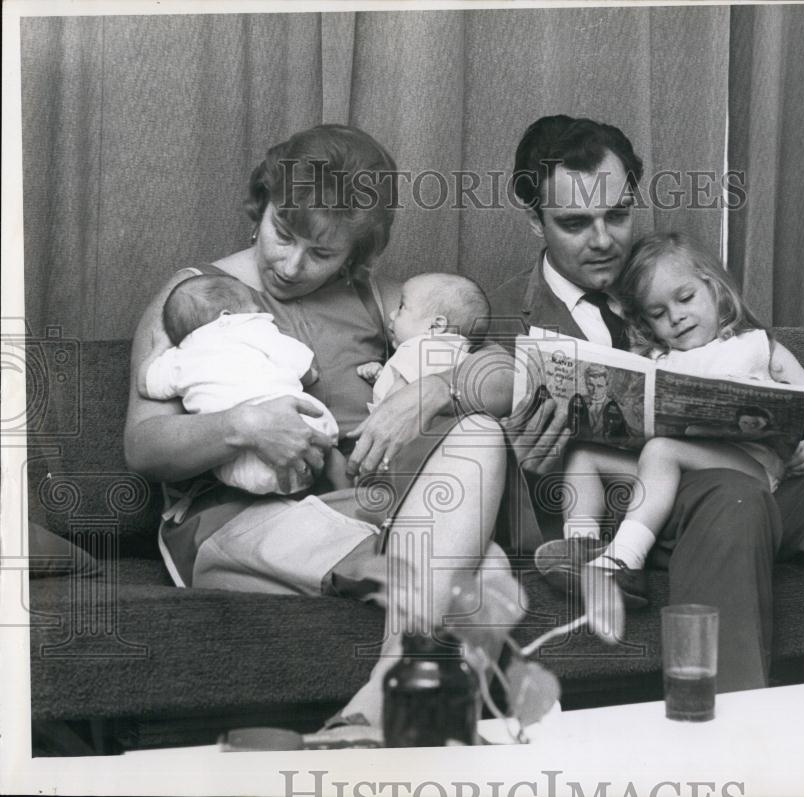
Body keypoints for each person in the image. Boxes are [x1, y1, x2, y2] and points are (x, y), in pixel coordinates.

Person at [489, 114, 804, 691]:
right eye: (574, 222)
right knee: (731, 494)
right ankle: (729, 736)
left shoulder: (673, 278)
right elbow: (495, 487)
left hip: (753, 475)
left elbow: (761, 379)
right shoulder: (503, 324)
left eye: (617, 215)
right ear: (533, 219)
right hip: (636, 512)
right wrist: (529, 460)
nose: (602, 239)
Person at [124, 124, 514, 727]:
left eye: (323, 254)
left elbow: (511, 382)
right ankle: (407, 703)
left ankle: (386, 702)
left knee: (482, 431)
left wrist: (436, 389)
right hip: (245, 521)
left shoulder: (380, 297)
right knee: (482, 575)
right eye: (284, 232)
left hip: (365, 508)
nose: (291, 264)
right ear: (264, 204)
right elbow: (143, 447)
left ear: (357, 256)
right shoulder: (195, 293)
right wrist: (244, 425)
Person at [548, 231, 804, 609]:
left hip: (751, 471)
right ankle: (583, 552)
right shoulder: (658, 362)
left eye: (685, 298)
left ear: (714, 287)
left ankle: (625, 562)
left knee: (663, 450)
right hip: (680, 480)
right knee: (582, 454)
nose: (676, 317)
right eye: (658, 314)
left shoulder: (753, 345)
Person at [138, 272, 348, 494]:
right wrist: (310, 375)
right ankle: (345, 491)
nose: (261, 314)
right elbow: (301, 365)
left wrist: (161, 346)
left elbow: (145, 384)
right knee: (332, 456)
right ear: (227, 316)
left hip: (237, 469)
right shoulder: (252, 329)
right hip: (299, 428)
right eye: (255, 309)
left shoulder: (177, 359)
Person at [357, 272, 490, 409]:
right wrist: (383, 377)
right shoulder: (458, 357)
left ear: (435, 326)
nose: (391, 315)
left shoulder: (419, 349)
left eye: (401, 307)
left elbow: (395, 407)